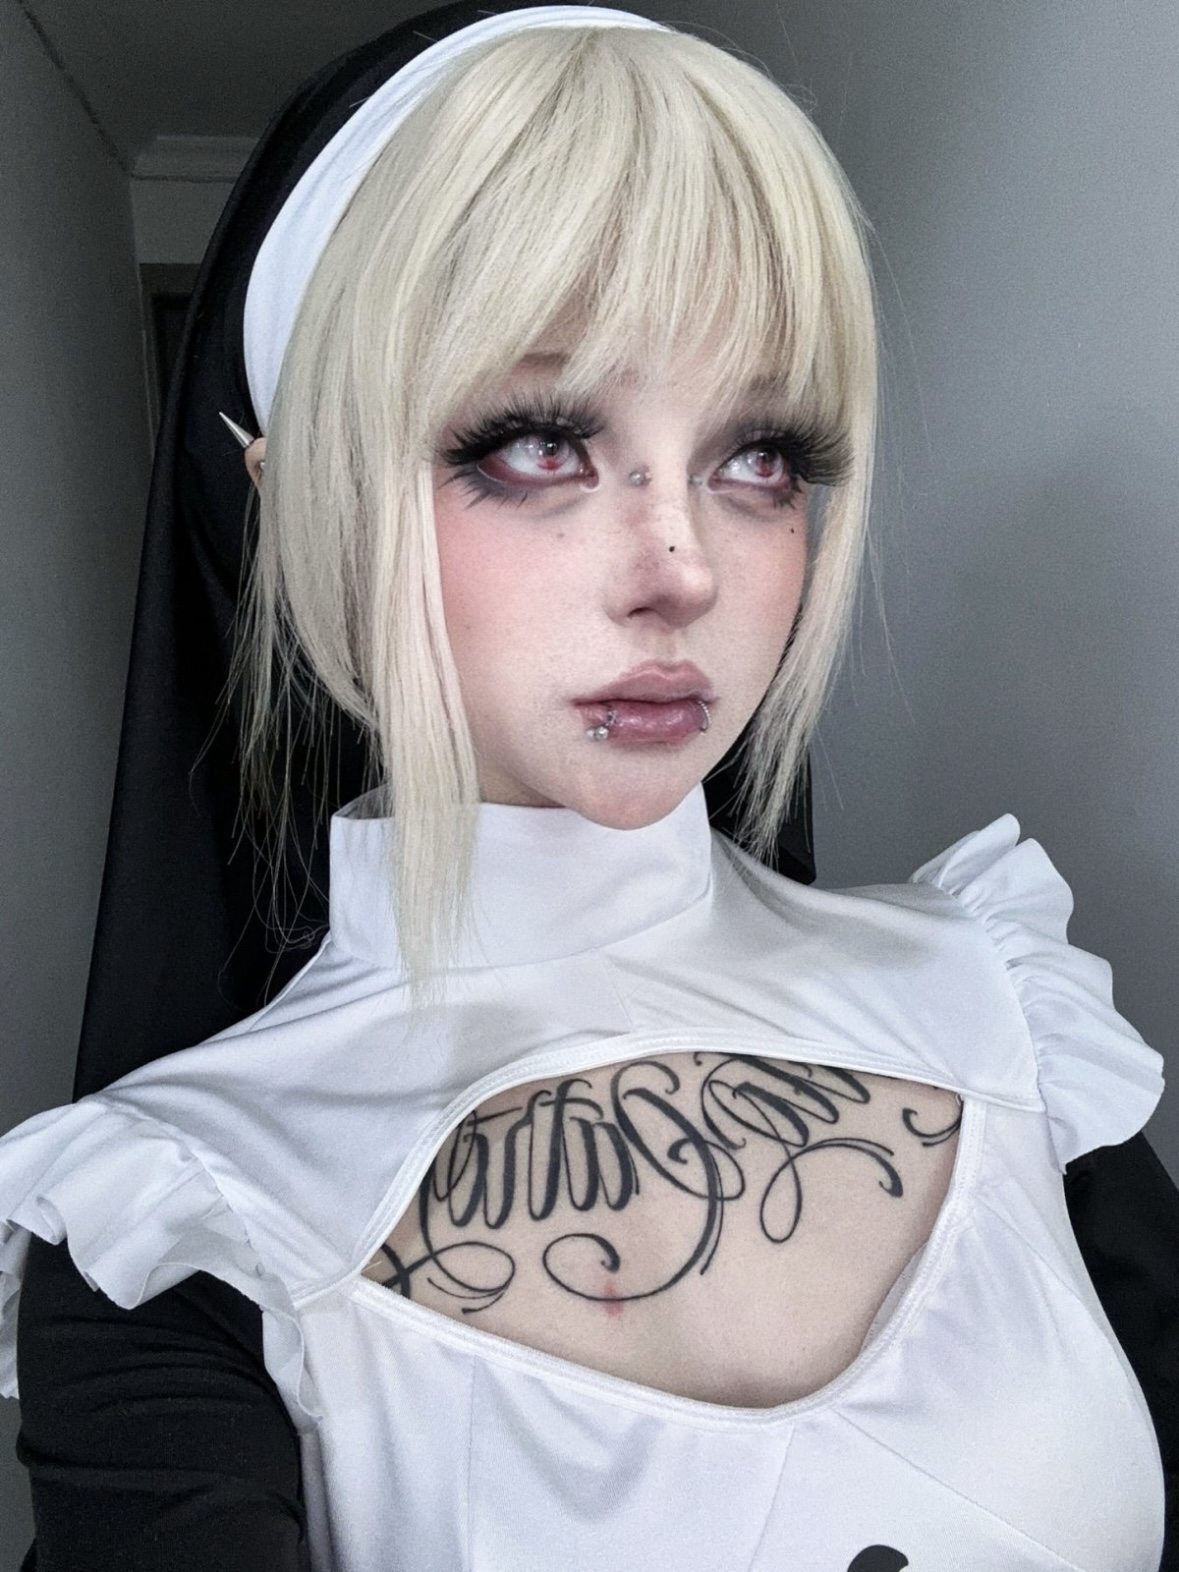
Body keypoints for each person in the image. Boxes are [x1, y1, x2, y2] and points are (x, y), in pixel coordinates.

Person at [0, 4, 1172, 1569]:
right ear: (299, 508)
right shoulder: (174, 1223)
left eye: (762, 455)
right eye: (539, 441)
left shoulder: (1009, 1010)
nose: (683, 567)